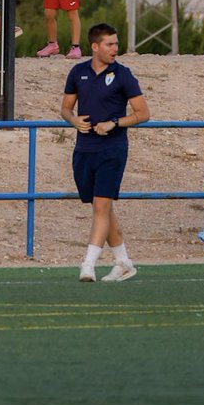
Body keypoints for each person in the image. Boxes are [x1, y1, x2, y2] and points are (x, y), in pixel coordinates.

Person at [60, 23, 150, 281]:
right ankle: (123, 262)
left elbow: (143, 113)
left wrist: (115, 122)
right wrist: (74, 120)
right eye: (109, 44)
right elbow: (66, 108)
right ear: (95, 46)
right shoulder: (77, 72)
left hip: (113, 149)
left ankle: (87, 265)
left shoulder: (123, 75)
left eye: (116, 43)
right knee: (102, 207)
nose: (115, 49)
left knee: (101, 206)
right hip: (84, 149)